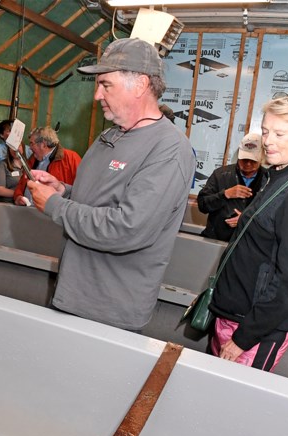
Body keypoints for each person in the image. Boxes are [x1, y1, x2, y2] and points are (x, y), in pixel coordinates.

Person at [25, 38, 196, 332]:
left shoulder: (169, 150)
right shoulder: (110, 137)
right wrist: (64, 190)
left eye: (106, 85)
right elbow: (102, 199)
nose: (96, 95)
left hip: (107, 310)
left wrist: (54, 205)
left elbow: (126, 228)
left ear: (140, 85)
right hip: (72, 294)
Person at [209, 95, 288, 372]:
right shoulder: (275, 178)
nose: (267, 141)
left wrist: (243, 339)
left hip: (253, 329)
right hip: (232, 314)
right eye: (266, 131)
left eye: (280, 134)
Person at [197, 132, 265, 242]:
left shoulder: (268, 180)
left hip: (247, 243)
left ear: (261, 157)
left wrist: (246, 219)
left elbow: (273, 216)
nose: (248, 164)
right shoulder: (220, 175)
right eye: (244, 159)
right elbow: (202, 205)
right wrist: (225, 194)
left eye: (253, 160)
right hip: (216, 240)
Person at [13, 126, 81, 206]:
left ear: (44, 145)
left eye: (32, 143)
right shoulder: (33, 158)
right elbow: (22, 183)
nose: (30, 148)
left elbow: (81, 190)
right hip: (29, 212)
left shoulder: (71, 158)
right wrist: (18, 197)